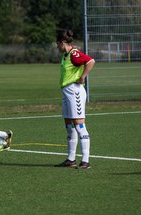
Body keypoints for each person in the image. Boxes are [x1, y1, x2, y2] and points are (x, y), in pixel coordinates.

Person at [54, 29, 95, 169]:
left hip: (75, 92)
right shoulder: (66, 55)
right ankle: (71, 159)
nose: (57, 46)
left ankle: (85, 161)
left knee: (79, 126)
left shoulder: (74, 53)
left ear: (62, 42)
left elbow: (90, 61)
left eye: (57, 44)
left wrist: (83, 76)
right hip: (66, 92)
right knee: (69, 126)